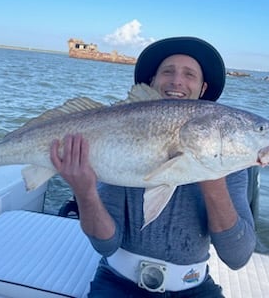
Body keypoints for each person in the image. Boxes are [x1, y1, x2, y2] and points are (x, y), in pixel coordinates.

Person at [50, 37, 256, 297]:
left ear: (203, 89)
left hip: (194, 288)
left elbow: (237, 257)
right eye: (167, 71)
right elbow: (105, 245)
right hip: (116, 282)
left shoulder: (232, 163)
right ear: (151, 83)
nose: (177, 81)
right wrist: (85, 192)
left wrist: (211, 172)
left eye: (189, 74)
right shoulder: (119, 138)